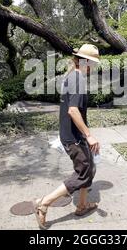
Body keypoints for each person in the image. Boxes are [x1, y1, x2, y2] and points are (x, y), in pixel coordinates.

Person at [33, 44, 101, 229]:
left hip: (71, 134)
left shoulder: (71, 76)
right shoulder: (77, 79)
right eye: (93, 63)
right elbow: (73, 111)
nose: (94, 67)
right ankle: (44, 203)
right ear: (85, 62)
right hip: (74, 137)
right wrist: (89, 135)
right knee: (83, 171)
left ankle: (82, 205)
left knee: (90, 168)